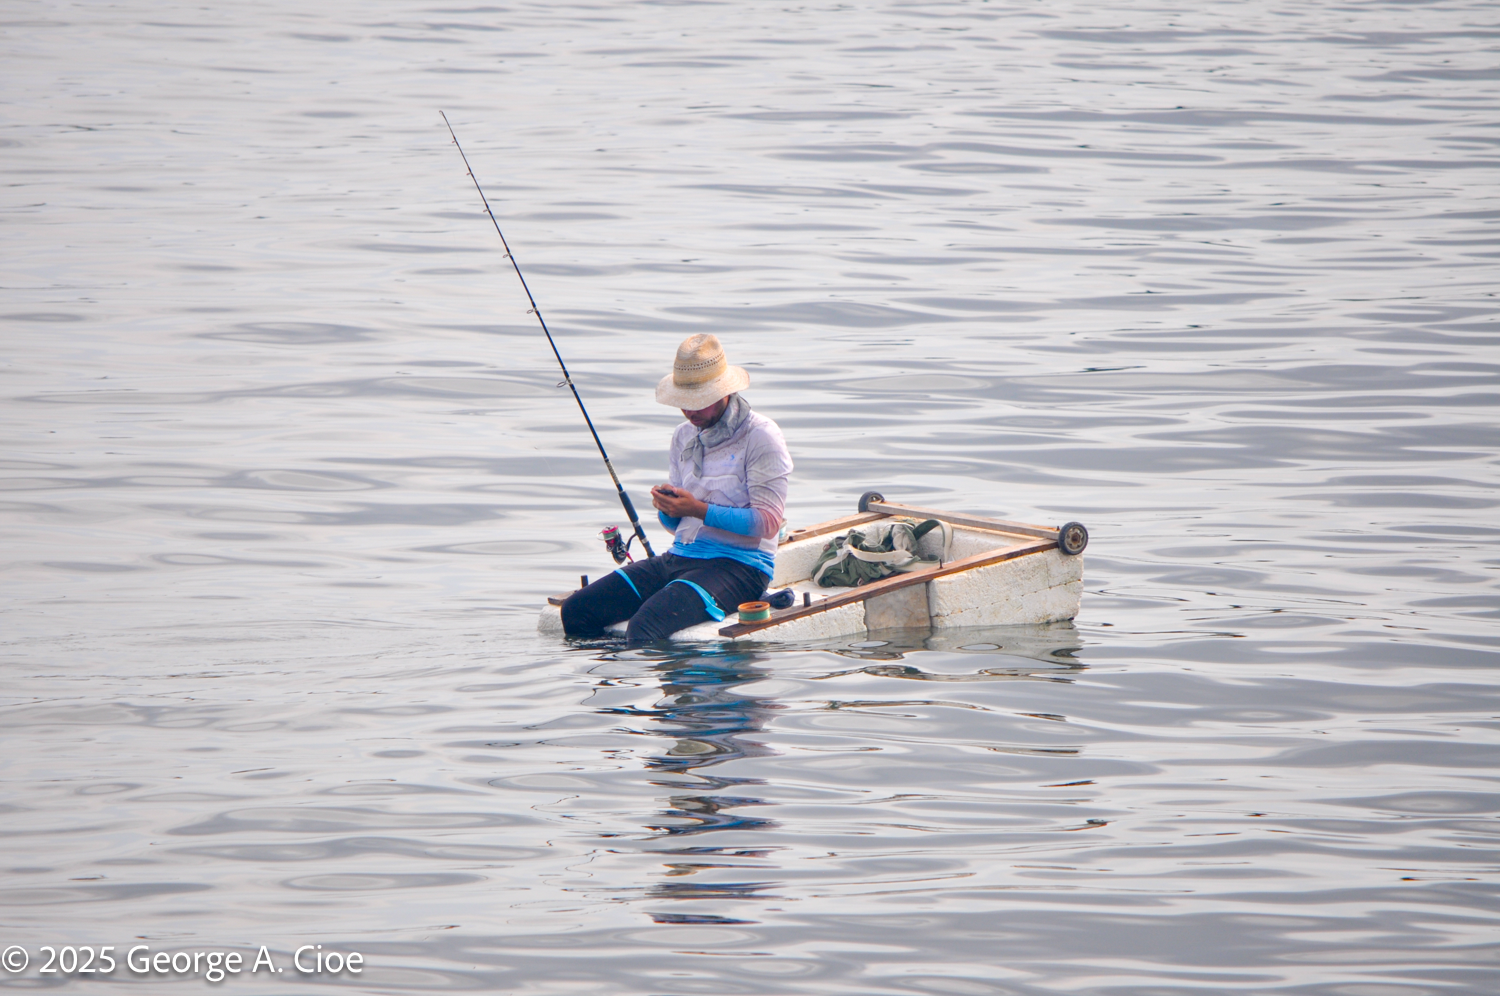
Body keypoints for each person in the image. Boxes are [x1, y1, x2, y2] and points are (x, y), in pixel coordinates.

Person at [560, 334, 792, 643]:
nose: (689, 412)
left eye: (698, 402)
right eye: (683, 402)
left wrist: (697, 509)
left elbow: (768, 523)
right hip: (681, 557)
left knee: (643, 627)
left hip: (741, 566)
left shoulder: (761, 436)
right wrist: (669, 509)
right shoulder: (684, 436)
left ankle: (665, 686)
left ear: (723, 393)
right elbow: (678, 526)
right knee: (577, 610)